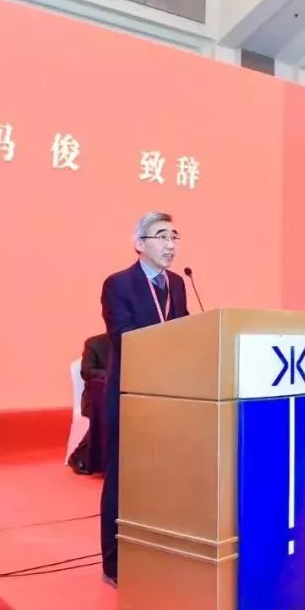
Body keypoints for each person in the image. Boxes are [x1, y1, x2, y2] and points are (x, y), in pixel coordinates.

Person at [99, 212, 189, 586]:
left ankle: (156, 552)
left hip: (168, 396)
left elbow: (186, 330)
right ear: (140, 244)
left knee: (162, 479)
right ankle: (115, 564)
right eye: (162, 236)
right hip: (130, 396)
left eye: (175, 237)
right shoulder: (118, 284)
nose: (170, 244)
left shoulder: (177, 284)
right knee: (124, 481)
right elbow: (125, 336)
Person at [68, 333, 109, 475]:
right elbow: (87, 371)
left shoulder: (133, 342)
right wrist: (113, 374)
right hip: (95, 398)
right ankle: (79, 456)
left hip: (125, 395)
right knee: (110, 413)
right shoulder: (94, 343)